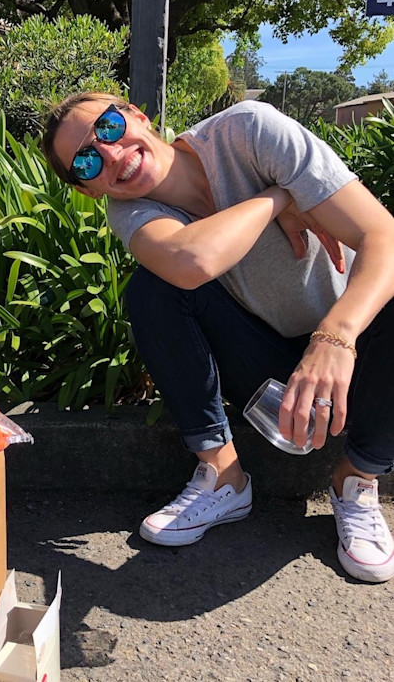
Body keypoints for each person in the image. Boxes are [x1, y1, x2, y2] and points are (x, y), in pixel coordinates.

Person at [42, 92, 394, 583]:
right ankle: (224, 475)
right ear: (88, 191)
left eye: (107, 129)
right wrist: (279, 198)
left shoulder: (248, 132)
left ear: (137, 115)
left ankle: (357, 479)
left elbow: (385, 237)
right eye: (86, 161)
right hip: (267, 365)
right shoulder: (132, 213)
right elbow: (192, 263)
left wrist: (336, 336)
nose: (112, 155)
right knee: (153, 287)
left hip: (358, 352)